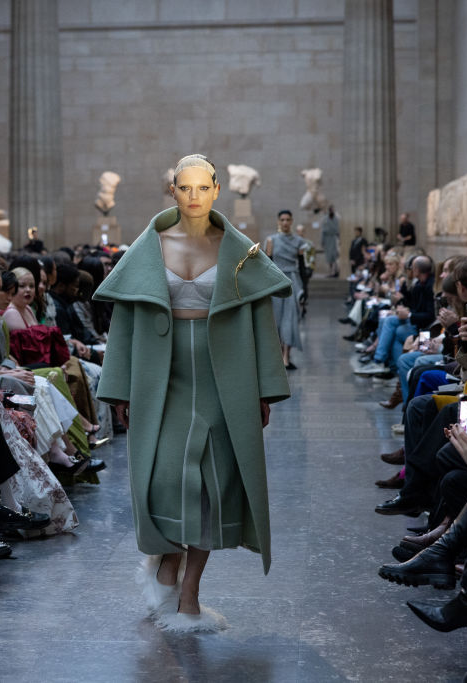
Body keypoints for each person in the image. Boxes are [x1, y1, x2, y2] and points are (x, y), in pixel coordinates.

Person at [94, 154, 291, 632]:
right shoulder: (147, 248)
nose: (195, 196)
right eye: (186, 187)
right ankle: (164, 565)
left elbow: (261, 321)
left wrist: (264, 388)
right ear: (173, 190)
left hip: (226, 375)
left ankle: (189, 597)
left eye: (204, 187)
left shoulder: (239, 251)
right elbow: (125, 322)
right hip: (160, 376)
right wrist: (118, 386)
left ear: (217, 190)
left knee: (212, 483)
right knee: (163, 477)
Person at [264, 209, 304, 369]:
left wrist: (305, 290)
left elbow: (302, 266)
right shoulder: (271, 240)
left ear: (292, 221)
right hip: (276, 282)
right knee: (276, 320)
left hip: (293, 282)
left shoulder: (299, 242)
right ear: (278, 222)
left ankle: (286, 356)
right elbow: (266, 265)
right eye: (283, 220)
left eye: (288, 219)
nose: (285, 222)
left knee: (291, 318)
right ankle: (279, 354)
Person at [321, 205, 340, 277]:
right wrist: (322, 241)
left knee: (335, 256)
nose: (331, 211)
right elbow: (323, 231)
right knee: (329, 257)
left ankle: (335, 271)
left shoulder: (336, 219)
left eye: (332, 210)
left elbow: (338, 230)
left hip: (334, 239)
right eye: (330, 210)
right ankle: (330, 271)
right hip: (327, 240)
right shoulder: (325, 219)